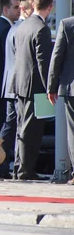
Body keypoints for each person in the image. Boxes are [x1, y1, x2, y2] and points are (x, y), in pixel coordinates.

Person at [13, 0, 53, 181]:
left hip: (20, 83)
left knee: (22, 128)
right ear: (50, 7)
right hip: (35, 87)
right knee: (32, 131)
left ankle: (19, 168)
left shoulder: (23, 25)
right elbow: (43, 62)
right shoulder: (41, 28)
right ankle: (25, 170)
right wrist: (50, 88)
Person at [0, 0, 34, 179]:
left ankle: (2, 165)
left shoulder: (13, 28)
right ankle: (18, 168)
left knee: (10, 126)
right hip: (19, 85)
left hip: (10, 83)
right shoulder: (23, 29)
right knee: (18, 127)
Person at [47, 16, 74, 185]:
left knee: (73, 131)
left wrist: (51, 87)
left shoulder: (67, 24)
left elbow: (56, 56)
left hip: (71, 87)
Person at [0, 0, 21, 131]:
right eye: (15, 7)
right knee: (3, 123)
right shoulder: (5, 30)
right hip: (2, 85)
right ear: (5, 9)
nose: (19, 10)